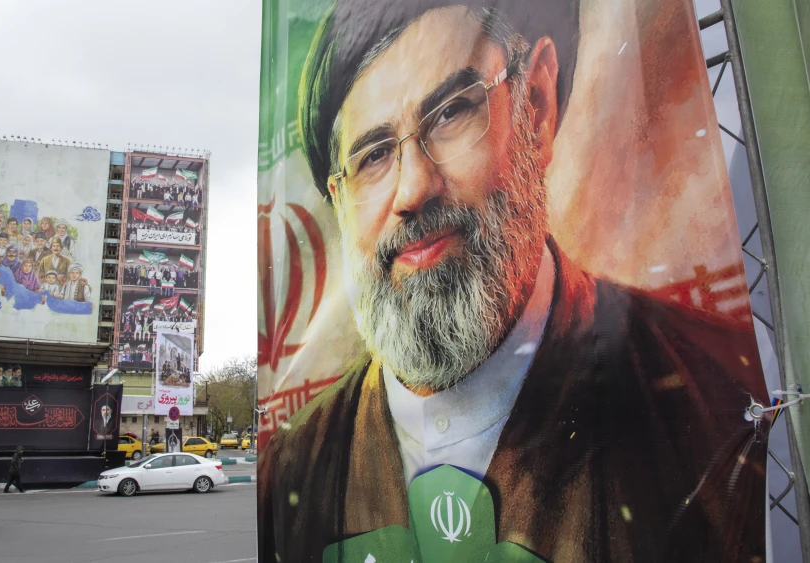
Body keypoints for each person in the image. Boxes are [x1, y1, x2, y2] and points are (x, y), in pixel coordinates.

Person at [257, 2, 768, 562]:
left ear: (537, 104)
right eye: (374, 154)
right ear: (339, 201)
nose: (411, 190)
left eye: (451, 113)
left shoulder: (715, 404)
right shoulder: (292, 468)